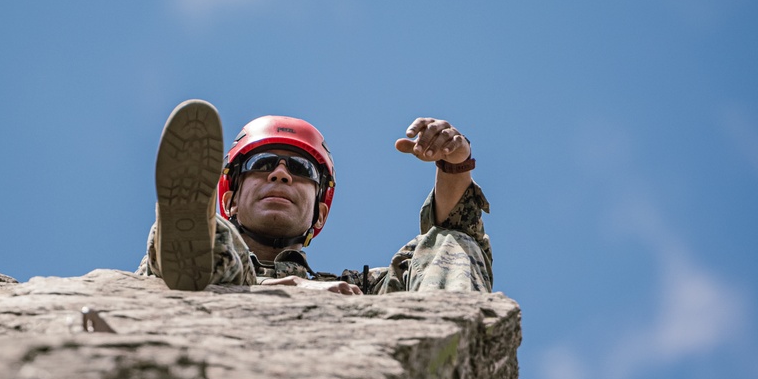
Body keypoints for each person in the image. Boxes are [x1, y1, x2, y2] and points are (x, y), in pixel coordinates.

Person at [137, 100, 492, 295]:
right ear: (229, 201)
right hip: (204, 297)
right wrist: (275, 292)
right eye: (261, 165)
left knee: (449, 241)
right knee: (209, 244)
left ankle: (445, 340)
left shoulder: (357, 291)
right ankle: (196, 246)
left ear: (320, 215)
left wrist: (454, 166)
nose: (280, 173)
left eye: (301, 169)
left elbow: (451, 241)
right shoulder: (195, 251)